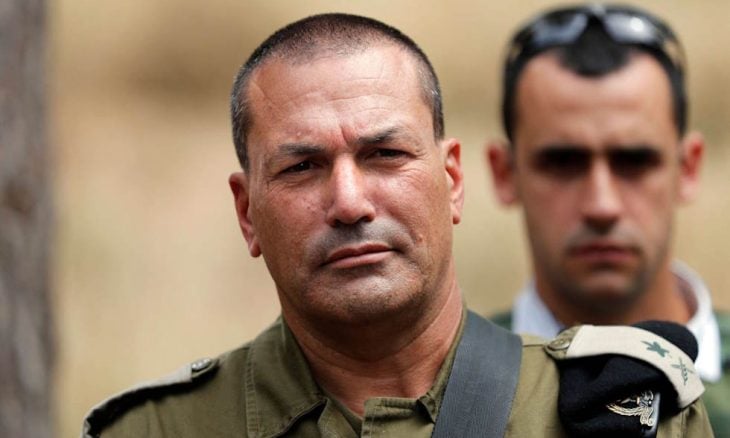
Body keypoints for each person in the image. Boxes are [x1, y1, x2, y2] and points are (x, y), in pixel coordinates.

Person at [82, 13, 711, 437]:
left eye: (385, 155)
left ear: (453, 180)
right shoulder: (158, 429)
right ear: (247, 213)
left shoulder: (618, 413)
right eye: (302, 167)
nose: (349, 202)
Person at [486, 3, 729, 435]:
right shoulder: (446, 386)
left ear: (688, 168)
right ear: (504, 174)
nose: (602, 205)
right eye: (562, 162)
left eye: (634, 161)